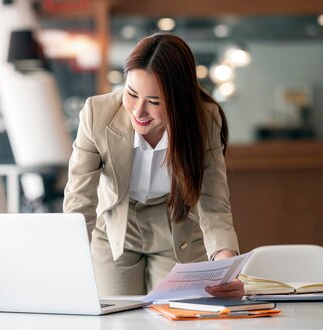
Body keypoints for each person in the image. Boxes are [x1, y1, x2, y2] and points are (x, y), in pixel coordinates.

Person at [63, 33, 244, 298]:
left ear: (179, 99)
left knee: (177, 313)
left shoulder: (205, 121)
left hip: (177, 223)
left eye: (155, 102)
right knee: (117, 319)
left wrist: (226, 269)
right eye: (131, 94)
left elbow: (214, 205)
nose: (138, 111)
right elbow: (80, 199)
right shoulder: (96, 113)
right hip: (116, 227)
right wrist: (67, 261)